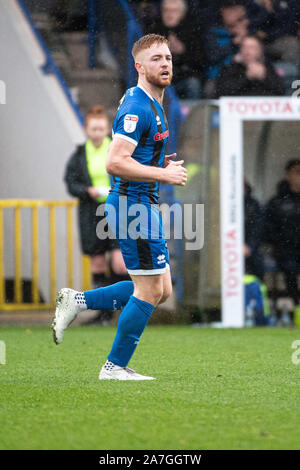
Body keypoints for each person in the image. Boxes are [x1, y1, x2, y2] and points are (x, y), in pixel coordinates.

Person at [52, 34, 187, 380]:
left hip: (142, 203)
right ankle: (115, 367)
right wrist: (162, 173)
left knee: (162, 288)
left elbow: (134, 153)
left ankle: (77, 301)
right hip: (132, 206)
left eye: (168, 57)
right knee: (149, 290)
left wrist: (156, 160)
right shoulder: (137, 107)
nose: (165, 63)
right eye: (156, 59)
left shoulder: (154, 101)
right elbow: (115, 162)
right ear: (139, 67)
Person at [64, 105, 128, 323]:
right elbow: (71, 183)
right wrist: (86, 191)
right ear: (87, 130)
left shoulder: (116, 149)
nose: (98, 133)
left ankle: (126, 309)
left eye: (101, 129)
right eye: (94, 129)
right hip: (92, 212)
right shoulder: (80, 154)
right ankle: (104, 313)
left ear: (107, 130)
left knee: (120, 263)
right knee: (98, 263)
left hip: (116, 209)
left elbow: (129, 174)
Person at [263, 159, 300, 308]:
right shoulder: (277, 202)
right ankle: (295, 306)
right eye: (297, 172)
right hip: (286, 251)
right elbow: (268, 228)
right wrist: (282, 243)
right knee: (289, 269)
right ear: (287, 176)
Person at [148, 0, 203, 99]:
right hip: (159, 78)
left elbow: (200, 62)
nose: (169, 14)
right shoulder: (153, 30)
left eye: (174, 11)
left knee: (193, 84)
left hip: (184, 77)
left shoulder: (193, 31)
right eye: (166, 10)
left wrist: (182, 51)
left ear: (182, 14)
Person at [215, 35, 285, 97]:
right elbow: (221, 92)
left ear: (260, 51)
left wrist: (265, 77)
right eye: (244, 47)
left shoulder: (267, 67)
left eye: (251, 47)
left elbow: (280, 91)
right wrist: (246, 77)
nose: (247, 51)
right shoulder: (231, 67)